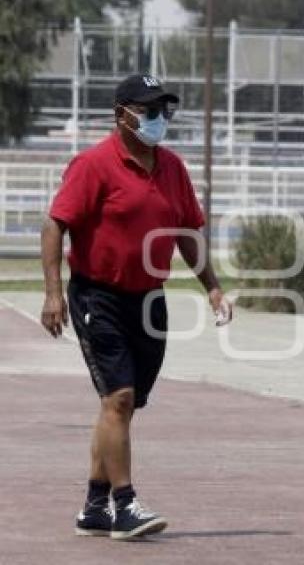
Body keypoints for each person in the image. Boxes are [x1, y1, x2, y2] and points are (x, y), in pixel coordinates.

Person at [40, 74, 232, 541]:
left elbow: (189, 234)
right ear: (121, 114)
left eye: (164, 110)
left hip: (149, 300)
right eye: (148, 110)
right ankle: (125, 506)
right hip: (98, 296)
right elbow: (54, 225)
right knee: (118, 399)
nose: (157, 118)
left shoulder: (172, 169)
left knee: (122, 406)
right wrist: (53, 293)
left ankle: (92, 507)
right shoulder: (93, 165)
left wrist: (212, 287)